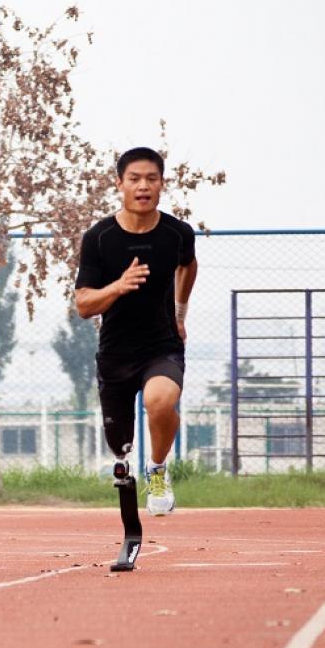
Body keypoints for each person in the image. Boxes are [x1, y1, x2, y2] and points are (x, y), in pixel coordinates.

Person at [75, 146, 198, 516]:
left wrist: (180, 311)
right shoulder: (99, 237)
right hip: (115, 353)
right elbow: (83, 305)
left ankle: (158, 470)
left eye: (151, 178)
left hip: (162, 345)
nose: (143, 186)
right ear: (120, 184)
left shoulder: (177, 233)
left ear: (162, 183)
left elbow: (188, 267)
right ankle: (129, 461)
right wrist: (118, 286)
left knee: (159, 401)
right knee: (119, 445)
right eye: (134, 179)